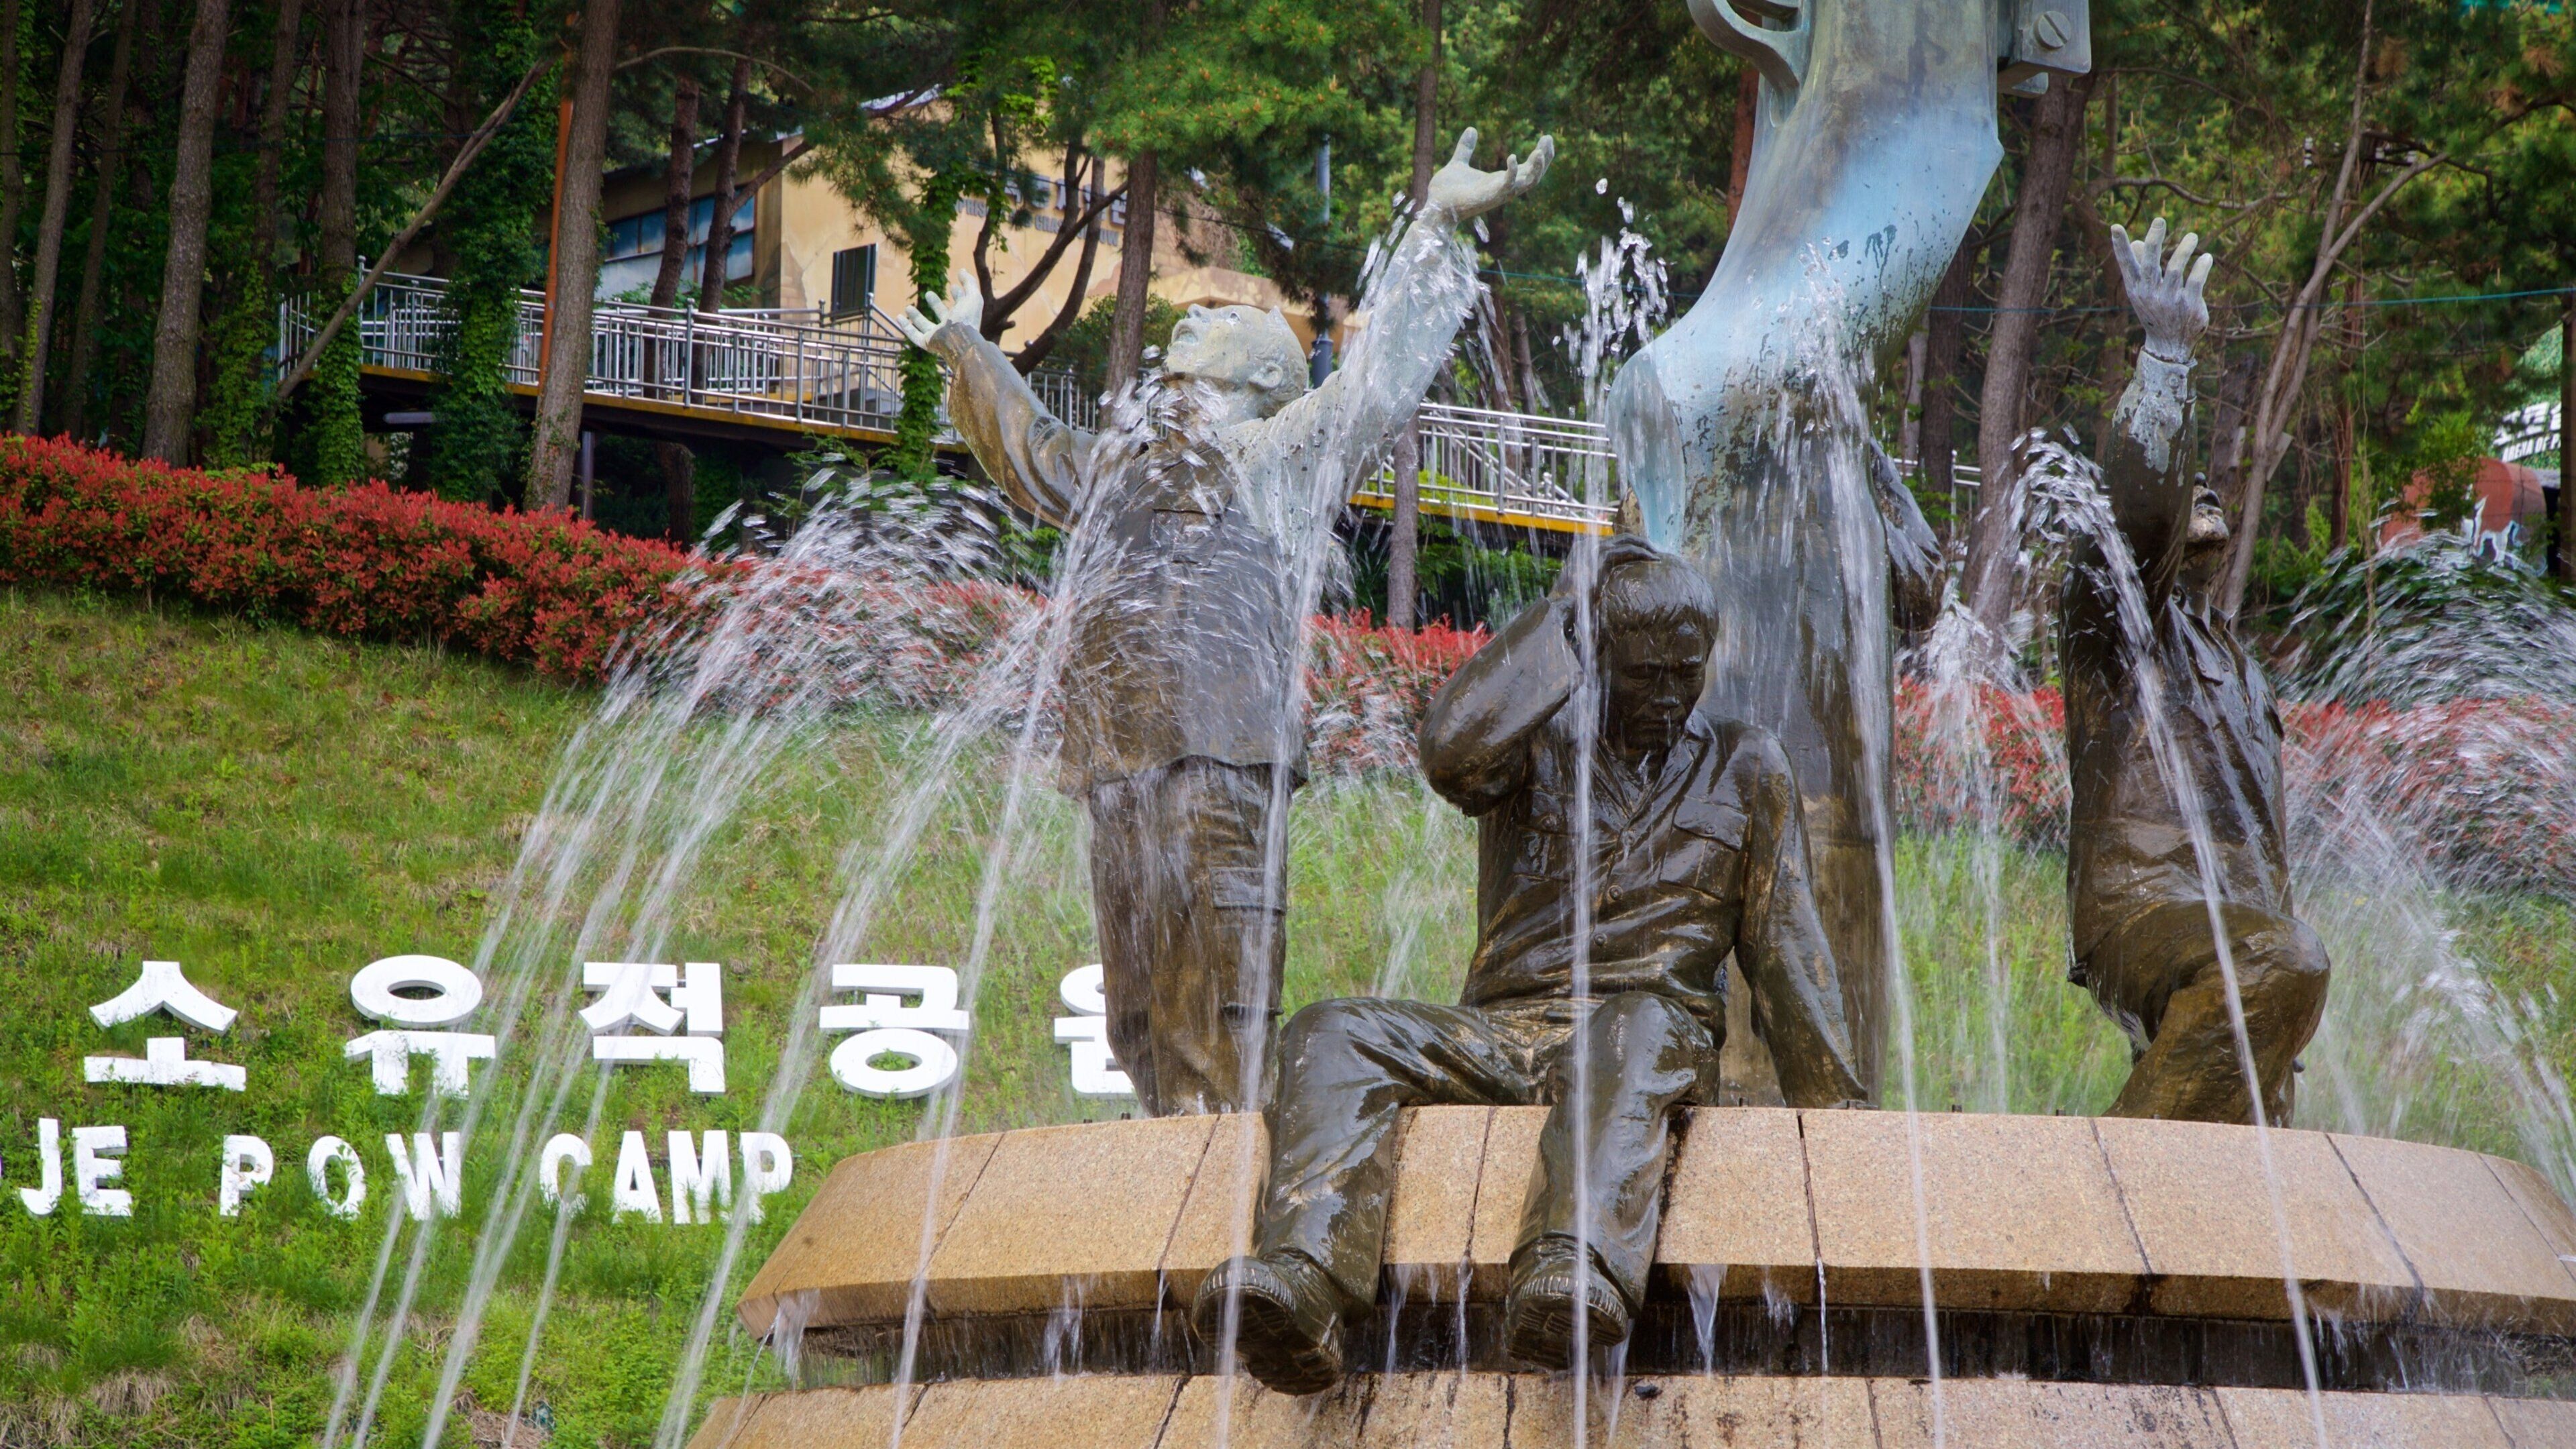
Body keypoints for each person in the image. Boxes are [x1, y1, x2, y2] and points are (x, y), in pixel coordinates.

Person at [896, 130, 1554, 1116]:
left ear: (1264, 379)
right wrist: (967, 347)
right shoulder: (1122, 465)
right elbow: (1032, 448)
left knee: (1218, 1009)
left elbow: (1376, 387)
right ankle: (1172, 1177)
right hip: (1120, 765)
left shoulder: (1281, 454)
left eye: (1223, 319)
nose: (1195, 316)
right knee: (1136, 1019)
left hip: (1224, 763)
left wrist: (1435, 228)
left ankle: (1224, 1182)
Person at [1191, 541, 1866, 1393]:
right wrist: (1561, 615)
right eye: (1644, 674)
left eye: (1686, 673)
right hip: (1504, 1032)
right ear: (1597, 657)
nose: (1668, 696)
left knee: (1635, 1024)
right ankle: (1304, 1281)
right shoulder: (1534, 742)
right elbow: (1448, 754)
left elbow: (1786, 944)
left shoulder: (1747, 763)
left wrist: (1842, 1128)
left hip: (1648, 1036)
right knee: (1330, 1032)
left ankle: (1570, 1267)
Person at [2061, 218, 2329, 1125]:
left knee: (2255, 1127)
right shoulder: (2124, 626)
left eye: (2212, 484)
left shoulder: (2243, 672)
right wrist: (2167, 362)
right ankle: (2099, 1186)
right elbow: (2134, 525)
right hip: (2145, 903)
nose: (2200, 489)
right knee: (2282, 963)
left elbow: (2266, 837)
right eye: (2187, 486)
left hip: (2241, 923)